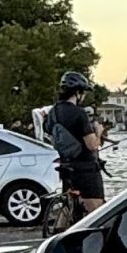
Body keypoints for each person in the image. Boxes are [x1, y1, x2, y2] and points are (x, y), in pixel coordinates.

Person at [46, 70, 104, 227]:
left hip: (66, 166)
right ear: (78, 93)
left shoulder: (53, 112)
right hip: (85, 169)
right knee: (98, 212)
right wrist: (98, 132)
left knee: (68, 206)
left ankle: (58, 234)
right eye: (83, 93)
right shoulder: (79, 113)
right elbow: (92, 145)